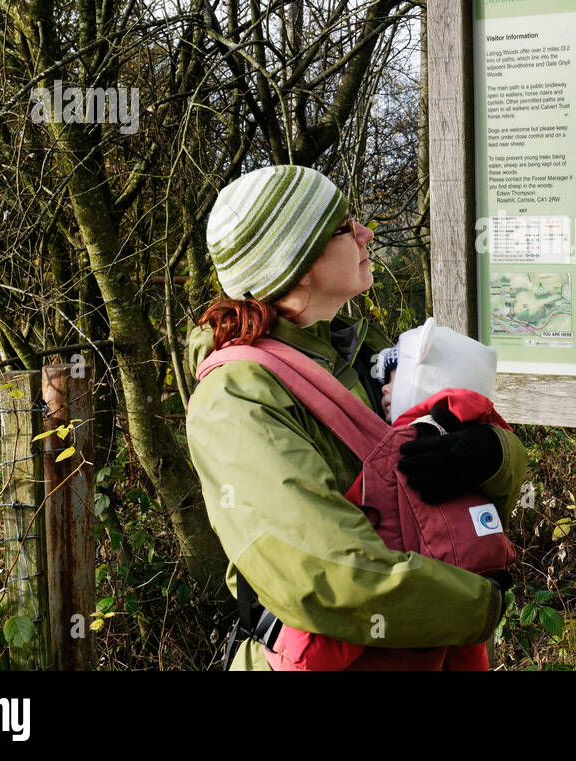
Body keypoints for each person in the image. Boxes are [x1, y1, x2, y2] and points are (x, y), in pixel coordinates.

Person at [184, 164, 527, 671]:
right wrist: (482, 605)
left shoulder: (364, 350)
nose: (365, 233)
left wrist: (491, 458)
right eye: (344, 227)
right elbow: (320, 572)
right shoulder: (234, 398)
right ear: (296, 263)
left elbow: (471, 485)